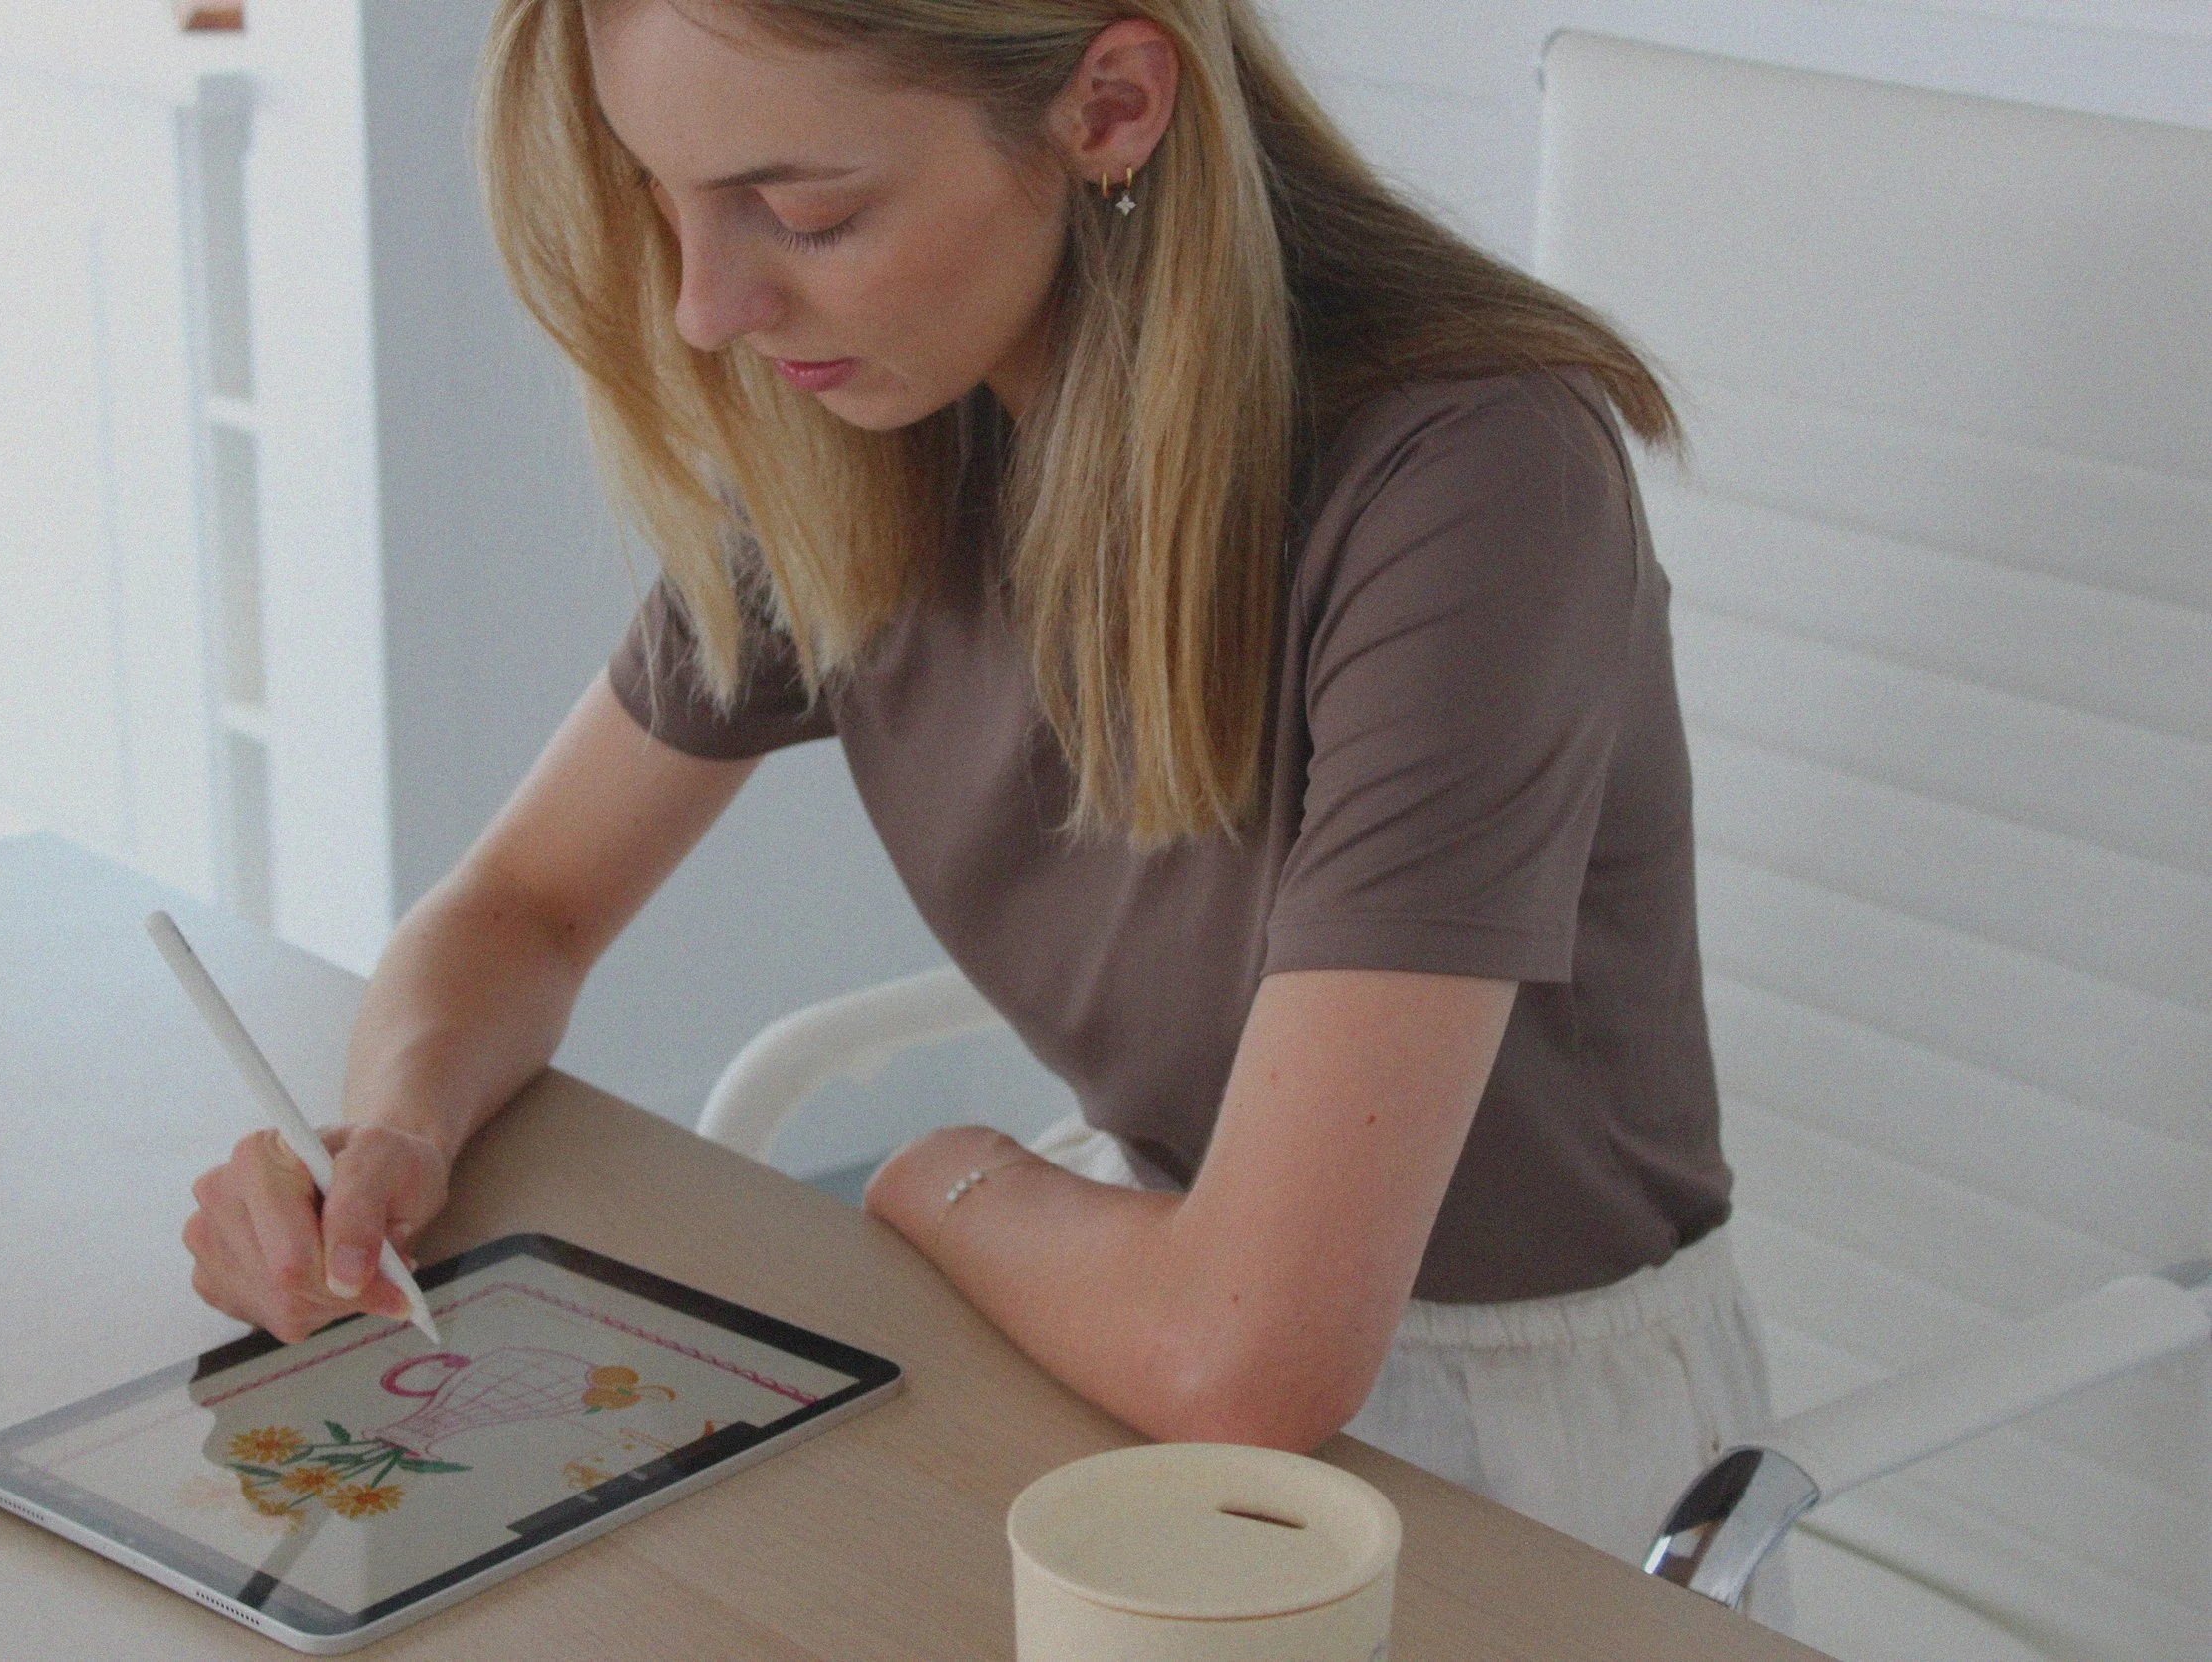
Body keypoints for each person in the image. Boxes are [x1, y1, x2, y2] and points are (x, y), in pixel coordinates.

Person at [182, 0, 1787, 1604]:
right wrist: (391, 1127)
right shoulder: (872, 428)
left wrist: (933, 1173)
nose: (701, 306)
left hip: (1507, 1453)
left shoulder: (1471, 477)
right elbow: (519, 908)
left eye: (807, 212)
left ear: (1109, 106)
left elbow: (1247, 1353)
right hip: (1105, 1321)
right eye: (665, 199)